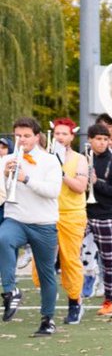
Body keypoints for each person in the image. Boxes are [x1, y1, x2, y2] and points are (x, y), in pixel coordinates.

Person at [1, 117, 63, 335]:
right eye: (18, 136)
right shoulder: (6, 159)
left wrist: (26, 179)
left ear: (37, 137)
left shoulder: (50, 161)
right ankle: (10, 291)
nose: (22, 140)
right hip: (15, 218)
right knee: (2, 238)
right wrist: (5, 176)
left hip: (43, 222)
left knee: (46, 273)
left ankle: (47, 319)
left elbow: (53, 192)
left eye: (27, 136)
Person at [47, 119, 89, 323]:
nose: (60, 137)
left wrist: (61, 172)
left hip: (72, 214)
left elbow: (80, 187)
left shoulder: (80, 159)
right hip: (47, 213)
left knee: (70, 261)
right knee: (42, 262)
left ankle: (75, 302)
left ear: (72, 136)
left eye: (65, 133)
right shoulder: (46, 157)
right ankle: (49, 297)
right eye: (57, 133)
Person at [83, 123, 112, 318]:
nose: (101, 143)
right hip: (81, 213)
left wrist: (96, 183)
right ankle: (75, 298)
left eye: (105, 139)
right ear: (90, 140)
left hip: (106, 214)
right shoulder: (82, 158)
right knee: (71, 256)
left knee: (109, 261)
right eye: (98, 139)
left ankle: (110, 300)